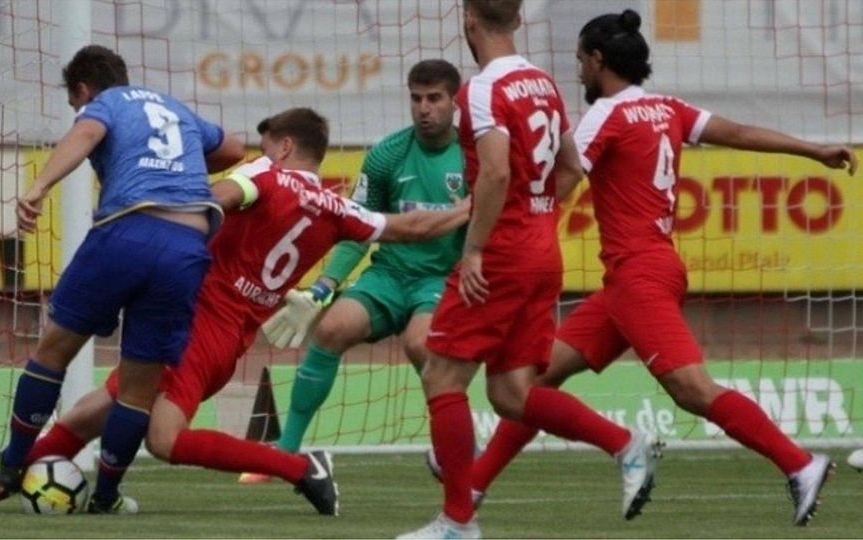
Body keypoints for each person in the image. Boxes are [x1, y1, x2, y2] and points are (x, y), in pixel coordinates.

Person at [0, 107, 471, 516]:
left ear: (281, 146)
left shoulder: (263, 174)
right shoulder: (338, 205)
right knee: (93, 412)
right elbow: (408, 227)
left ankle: (300, 466)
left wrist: (146, 240)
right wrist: (469, 207)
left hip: (196, 320)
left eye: (265, 144)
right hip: (227, 338)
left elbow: (215, 201)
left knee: (164, 439)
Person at [454, 9, 858, 528]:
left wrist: (512, 223)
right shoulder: (665, 108)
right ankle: (476, 483)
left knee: (693, 390)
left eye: (580, 61)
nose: (577, 71)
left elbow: (565, 177)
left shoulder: (605, 117)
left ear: (599, 62)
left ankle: (800, 464)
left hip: (636, 278)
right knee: (534, 379)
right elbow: (735, 131)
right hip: (645, 273)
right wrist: (811, 149)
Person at [0, 44, 246, 514]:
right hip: (186, 248)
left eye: (75, 103)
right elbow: (234, 147)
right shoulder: (174, 108)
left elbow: (89, 130)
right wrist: (182, 169)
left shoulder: (104, 104)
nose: (79, 111)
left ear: (83, 89)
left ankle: (11, 465)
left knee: (54, 350)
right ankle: (107, 497)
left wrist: (39, 186)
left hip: (128, 230)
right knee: (138, 385)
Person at [398, 2, 661, 538]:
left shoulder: (482, 89)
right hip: (542, 252)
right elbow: (570, 168)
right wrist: (536, 217)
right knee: (511, 394)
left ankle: (457, 521)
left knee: (441, 376)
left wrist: (474, 249)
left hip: (500, 256)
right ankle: (624, 443)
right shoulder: (543, 83)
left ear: (469, 20)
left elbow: (493, 172)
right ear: (517, 20)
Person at [237, 59, 468, 485]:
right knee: (330, 329)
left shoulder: (472, 157)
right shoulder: (387, 155)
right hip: (389, 276)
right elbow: (353, 228)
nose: (424, 108)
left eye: (434, 98)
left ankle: (450, 438)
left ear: (455, 100)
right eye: (416, 98)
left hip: (441, 280)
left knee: (422, 343)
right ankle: (285, 453)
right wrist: (324, 288)